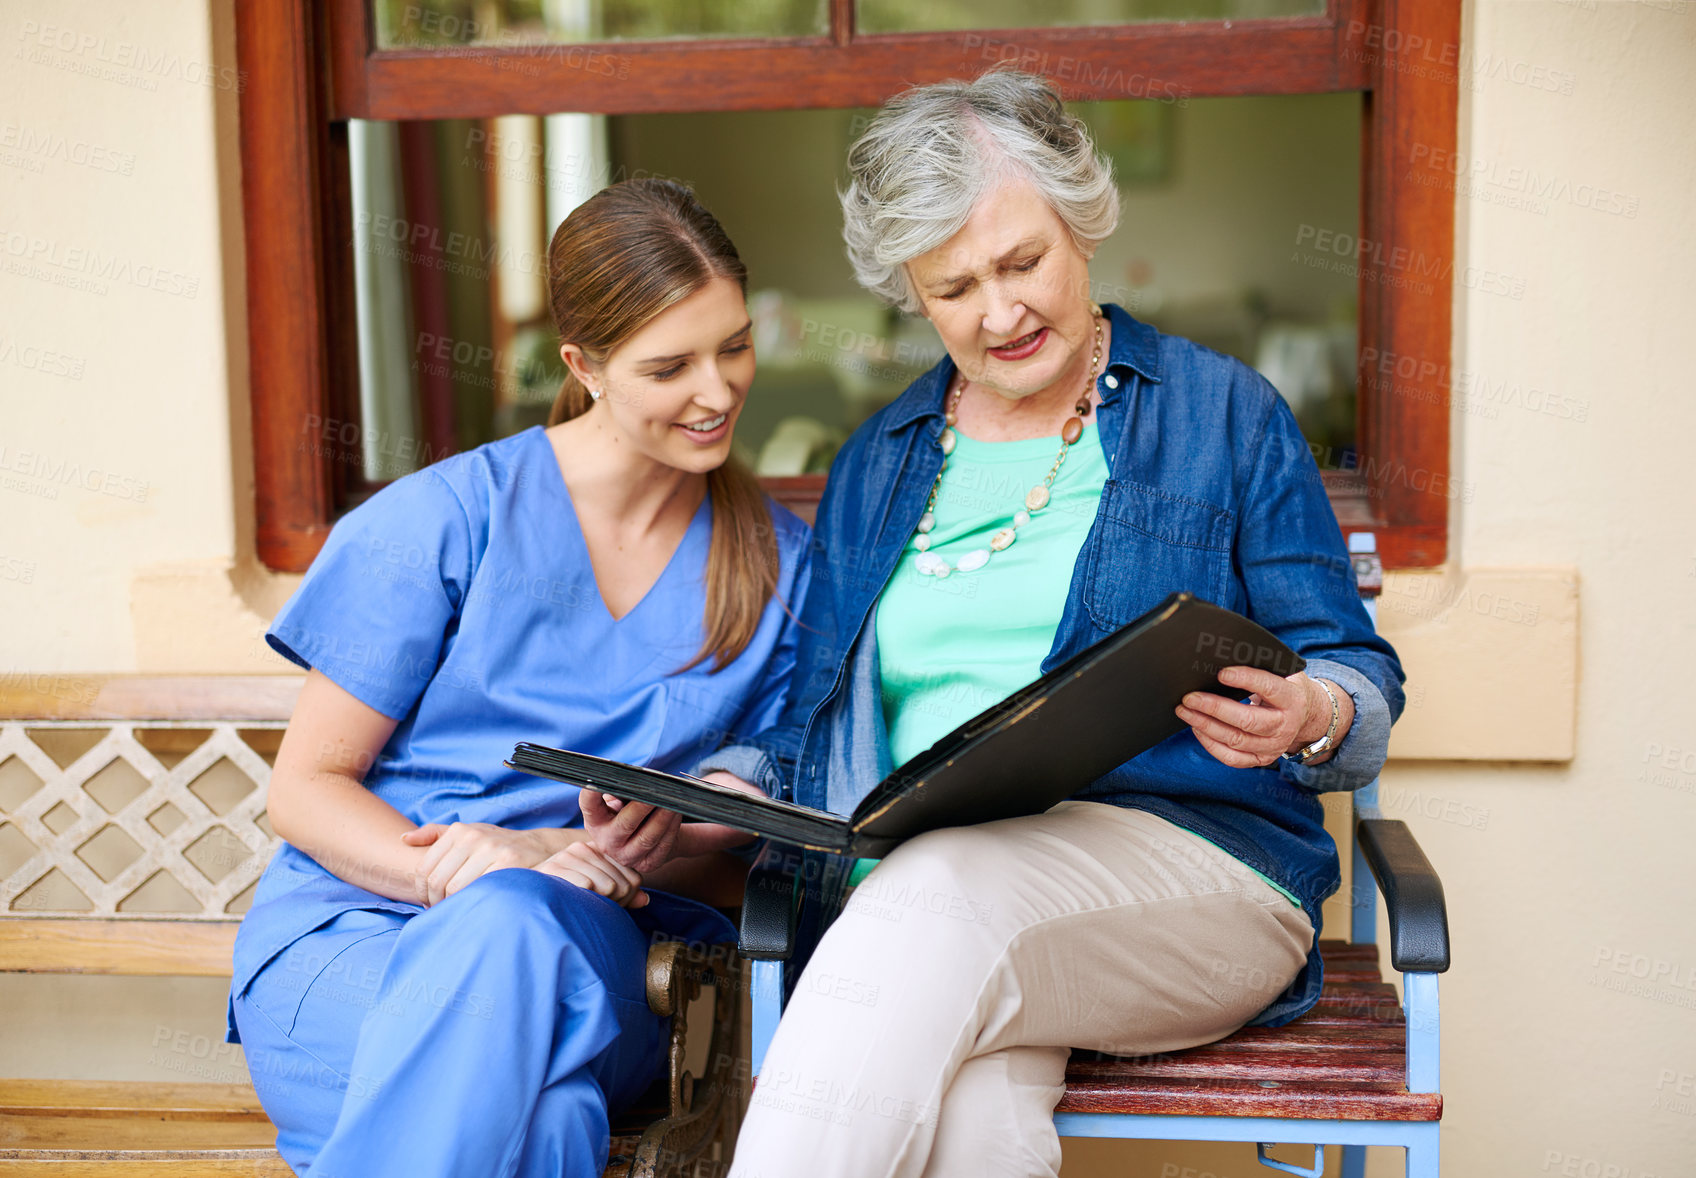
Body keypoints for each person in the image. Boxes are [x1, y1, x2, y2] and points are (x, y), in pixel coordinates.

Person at [687, 70, 1406, 1177]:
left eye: (1022, 262)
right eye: (952, 287)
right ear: (911, 295)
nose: (998, 312)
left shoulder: (1224, 412)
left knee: (934, 900)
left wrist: (1313, 706)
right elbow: (810, 726)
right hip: (941, 908)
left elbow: (1348, 662)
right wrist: (728, 795)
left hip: (1198, 875)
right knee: (973, 1118)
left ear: (1082, 223)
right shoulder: (880, 460)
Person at [226, 178, 811, 1178]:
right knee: (540, 1115)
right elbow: (305, 786)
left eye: (733, 345)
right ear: (582, 366)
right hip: (358, 945)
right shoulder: (443, 520)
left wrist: (611, 843)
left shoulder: (779, 566)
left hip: (610, 958)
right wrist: (474, 868)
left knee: (518, 943)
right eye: (669, 365)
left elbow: (741, 848)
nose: (717, 392)